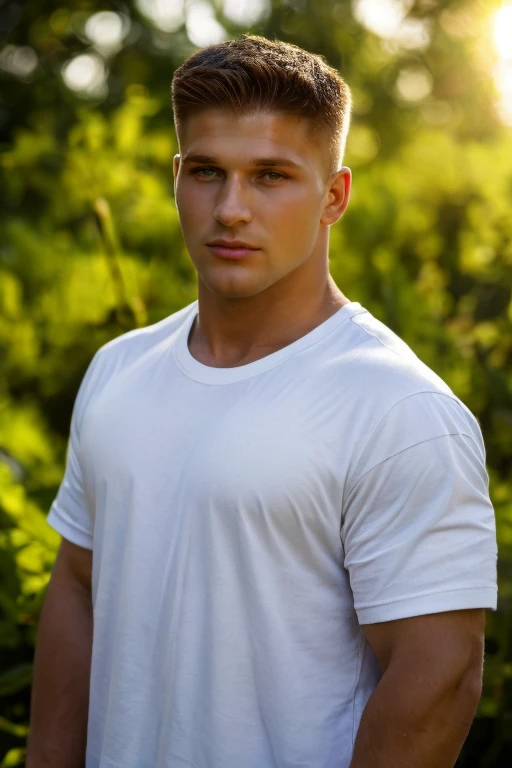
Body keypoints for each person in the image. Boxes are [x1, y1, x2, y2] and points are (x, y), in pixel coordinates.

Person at [27, 35, 498, 768]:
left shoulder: (399, 411)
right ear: (177, 177)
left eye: (271, 176)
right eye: (208, 172)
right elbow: (79, 588)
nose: (232, 208)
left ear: (333, 197)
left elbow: (438, 675)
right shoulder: (118, 370)